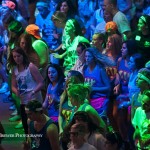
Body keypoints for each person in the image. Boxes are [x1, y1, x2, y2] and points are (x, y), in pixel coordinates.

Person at [8, 47, 44, 135]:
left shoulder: (30, 67)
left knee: (37, 124)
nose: (17, 59)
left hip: (34, 100)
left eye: (18, 56)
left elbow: (41, 82)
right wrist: (16, 91)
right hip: (23, 100)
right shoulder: (15, 69)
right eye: (15, 57)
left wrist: (33, 92)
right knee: (26, 125)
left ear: (23, 55)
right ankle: (28, 142)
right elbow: (13, 86)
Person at [83, 47, 111, 118]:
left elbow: (108, 87)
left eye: (89, 56)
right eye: (86, 56)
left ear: (94, 57)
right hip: (89, 100)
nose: (87, 58)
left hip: (100, 100)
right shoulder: (85, 68)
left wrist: (94, 89)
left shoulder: (100, 70)